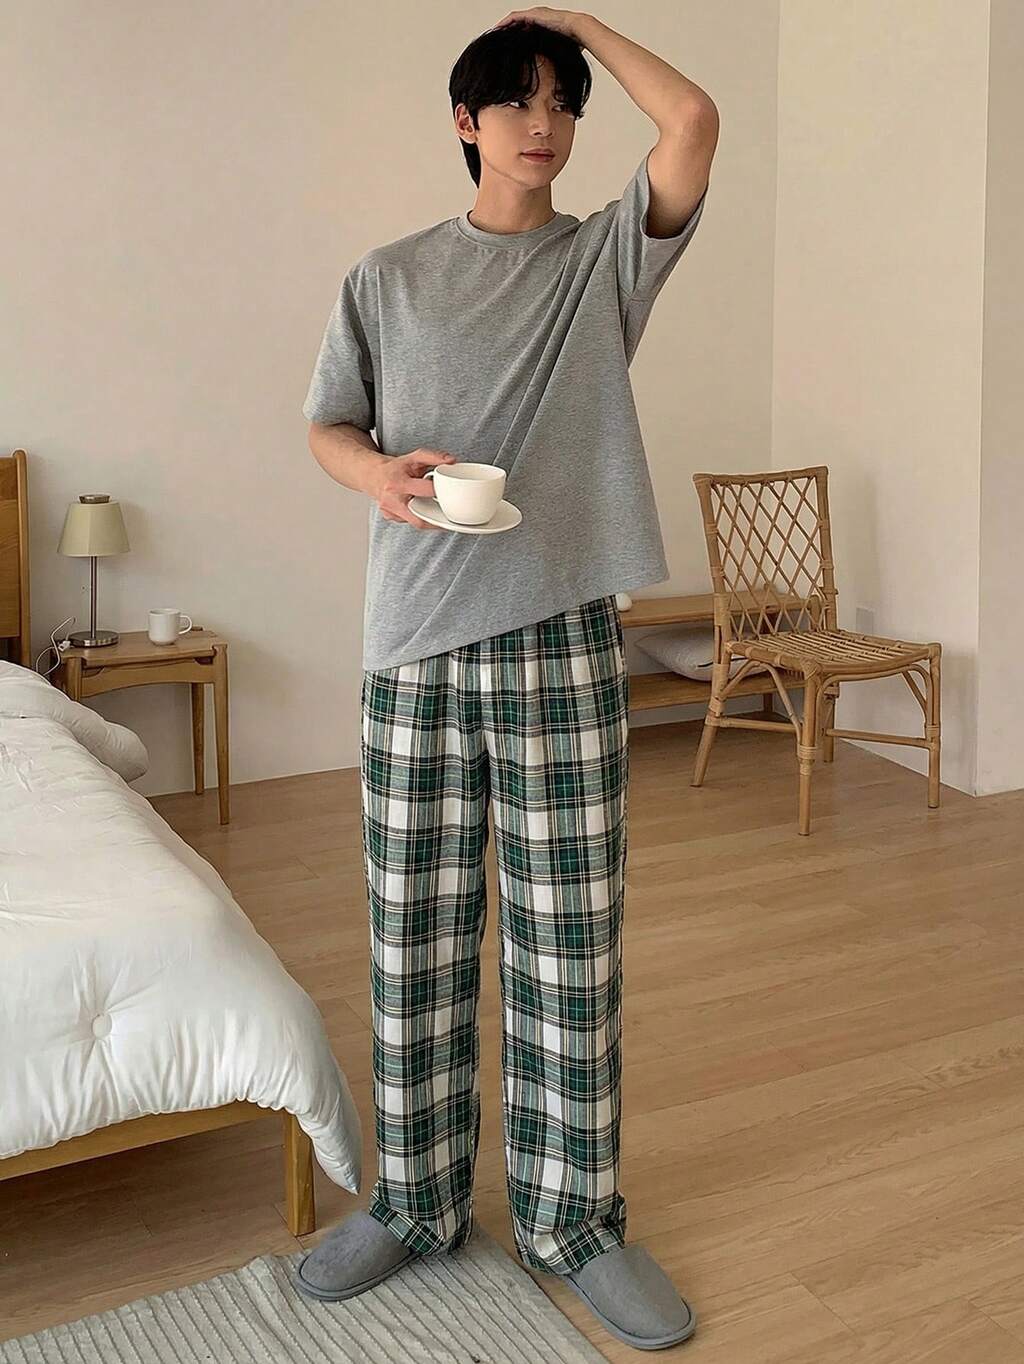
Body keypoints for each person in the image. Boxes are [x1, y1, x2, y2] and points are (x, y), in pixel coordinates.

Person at [296, 8, 718, 1352]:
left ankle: (572, 1221)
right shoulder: (387, 277)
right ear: (465, 123)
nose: (542, 123)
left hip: (561, 639)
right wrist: (377, 476)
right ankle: (414, 1202)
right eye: (516, 99)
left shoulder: (605, 262)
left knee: (568, 946)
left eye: (561, 101)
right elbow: (328, 424)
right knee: (412, 938)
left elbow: (694, 121)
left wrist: (570, 20)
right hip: (415, 646)